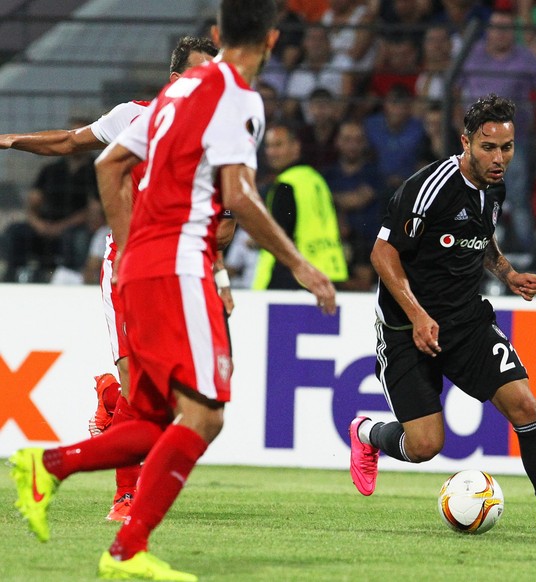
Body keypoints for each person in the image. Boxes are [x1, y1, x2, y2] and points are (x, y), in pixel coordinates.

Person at [9, 1, 336, 580]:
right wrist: (299, 263)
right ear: (273, 39)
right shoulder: (239, 100)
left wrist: (131, 248)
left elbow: (107, 166)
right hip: (178, 267)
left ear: (216, 34)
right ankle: (115, 534)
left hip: (144, 267)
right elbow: (237, 196)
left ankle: (57, 477)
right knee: (205, 413)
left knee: (161, 415)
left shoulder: (169, 100)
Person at [0, 36, 223, 523]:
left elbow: (222, 217)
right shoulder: (135, 117)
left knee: (175, 398)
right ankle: (126, 496)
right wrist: (12, 140)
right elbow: (70, 142)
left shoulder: (217, 139)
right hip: (126, 266)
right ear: (174, 80)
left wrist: (217, 270)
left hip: (179, 271)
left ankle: (110, 401)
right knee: (140, 384)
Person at [348, 93, 536, 538]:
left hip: (466, 322)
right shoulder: (428, 187)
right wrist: (416, 315)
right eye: (488, 147)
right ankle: (366, 433)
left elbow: (481, 240)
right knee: (424, 446)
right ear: (466, 143)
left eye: (507, 147)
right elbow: (382, 253)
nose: (499, 158)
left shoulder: (494, 187)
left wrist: (507, 272)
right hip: (405, 329)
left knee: (525, 405)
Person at [457, 7, 536, 252]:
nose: (500, 34)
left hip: (514, 142)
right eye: (496, 28)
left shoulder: (526, 57)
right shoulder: (472, 54)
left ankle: (525, 252)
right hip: (476, 141)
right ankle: (475, 252)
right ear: (487, 30)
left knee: (518, 197)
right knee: (474, 196)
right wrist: (461, 125)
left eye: (506, 29)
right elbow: (454, 90)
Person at [253, 122, 348, 289]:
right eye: (268, 146)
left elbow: (278, 235)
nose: (271, 152)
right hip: (328, 271)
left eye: (278, 145)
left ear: (296, 147)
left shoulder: (286, 184)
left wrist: (257, 239)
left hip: (293, 278)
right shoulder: (316, 179)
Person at [2, 119, 99, 283]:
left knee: (77, 239)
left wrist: (61, 227)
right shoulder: (52, 170)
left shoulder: (96, 169)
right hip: (45, 223)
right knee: (15, 232)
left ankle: (72, 280)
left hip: (74, 227)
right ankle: (13, 277)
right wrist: (38, 223)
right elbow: (33, 202)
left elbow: (93, 210)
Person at [323, 118, 382, 290]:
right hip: (332, 244)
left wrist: (332, 198)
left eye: (357, 140)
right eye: (347, 139)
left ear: (364, 143)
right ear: (338, 142)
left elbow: (357, 200)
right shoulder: (328, 174)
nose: (352, 145)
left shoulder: (374, 173)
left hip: (367, 245)